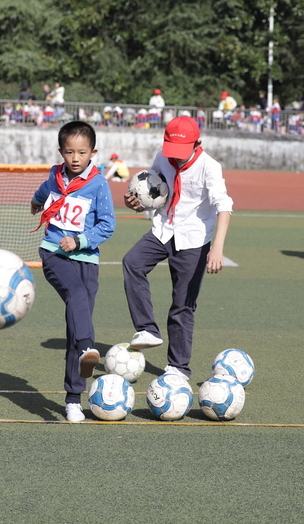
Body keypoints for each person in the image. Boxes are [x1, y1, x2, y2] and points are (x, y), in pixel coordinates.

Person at [122, 116, 232, 382]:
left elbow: (224, 206)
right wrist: (137, 204)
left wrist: (216, 249)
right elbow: (154, 194)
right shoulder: (162, 157)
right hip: (163, 230)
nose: (176, 157)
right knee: (132, 262)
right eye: (172, 149)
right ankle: (148, 329)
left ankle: (179, 367)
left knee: (182, 305)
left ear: (198, 143)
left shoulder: (209, 167)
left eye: (182, 151)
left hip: (194, 240)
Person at [30, 121, 115, 423]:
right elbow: (43, 191)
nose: (75, 158)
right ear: (61, 152)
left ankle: (73, 399)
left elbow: (107, 225)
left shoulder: (99, 184)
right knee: (76, 296)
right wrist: (36, 202)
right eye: (69, 152)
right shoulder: (55, 175)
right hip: (54, 253)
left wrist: (80, 240)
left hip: (86, 259)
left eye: (81, 152)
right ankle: (89, 347)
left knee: (74, 326)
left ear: (93, 152)